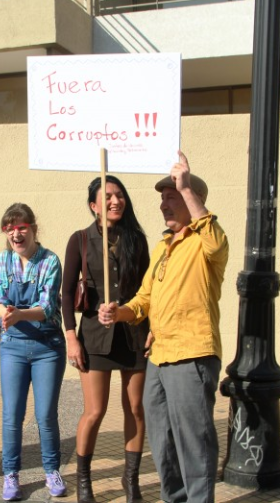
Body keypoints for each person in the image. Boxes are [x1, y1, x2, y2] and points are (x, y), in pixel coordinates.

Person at [100, 151, 229, 503]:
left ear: (193, 200)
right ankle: (175, 498)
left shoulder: (207, 243)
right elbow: (143, 300)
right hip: (159, 356)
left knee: (194, 440)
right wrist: (119, 311)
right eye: (163, 198)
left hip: (192, 354)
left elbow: (215, 240)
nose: (163, 205)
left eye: (171, 197)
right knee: (161, 439)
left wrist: (186, 187)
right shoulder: (162, 246)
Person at [62, 176, 150, 503]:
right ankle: (84, 482)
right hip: (94, 337)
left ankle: (131, 480)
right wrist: (71, 338)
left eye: (120, 195)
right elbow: (67, 292)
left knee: (136, 409)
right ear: (94, 206)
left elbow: (147, 290)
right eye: (108, 196)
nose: (116, 201)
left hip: (133, 334)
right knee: (94, 411)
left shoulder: (137, 240)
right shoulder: (80, 240)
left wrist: (145, 322)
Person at [0, 203, 67, 501]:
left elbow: (47, 307)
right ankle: (11, 475)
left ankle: (51, 470)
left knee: (45, 414)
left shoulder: (50, 260)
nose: (16, 233)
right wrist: (3, 312)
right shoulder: (1, 261)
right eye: (10, 229)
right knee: (12, 415)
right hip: (13, 347)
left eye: (22, 227)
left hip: (48, 346)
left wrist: (17, 314)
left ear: (34, 229)